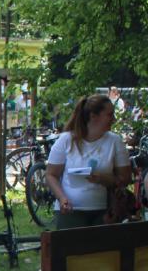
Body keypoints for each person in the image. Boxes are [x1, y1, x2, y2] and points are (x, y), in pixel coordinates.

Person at [45, 93, 132, 229]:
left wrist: (105, 179)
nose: (114, 119)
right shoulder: (66, 140)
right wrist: (62, 199)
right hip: (70, 211)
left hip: (105, 212)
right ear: (93, 116)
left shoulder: (115, 141)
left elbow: (125, 178)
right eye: (110, 115)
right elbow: (51, 174)